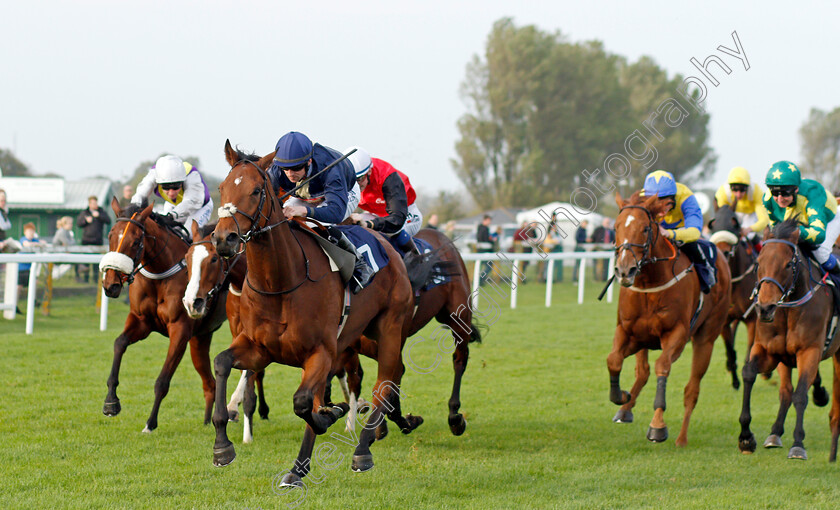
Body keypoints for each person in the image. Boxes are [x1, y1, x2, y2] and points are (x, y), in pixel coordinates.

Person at [267, 131, 371, 292]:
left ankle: (360, 264)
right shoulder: (276, 170)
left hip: (344, 193)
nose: (289, 174)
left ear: (308, 161)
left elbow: (335, 213)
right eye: (285, 169)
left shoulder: (332, 169)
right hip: (307, 194)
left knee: (317, 223)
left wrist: (304, 211)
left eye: (295, 168)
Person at [762, 160, 840, 278]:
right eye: (775, 192)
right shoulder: (768, 200)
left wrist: (796, 232)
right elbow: (776, 230)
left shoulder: (812, 194)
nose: (779, 198)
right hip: (802, 222)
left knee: (821, 253)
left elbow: (819, 235)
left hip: (830, 218)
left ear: (796, 189)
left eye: (785, 193)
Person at [642, 170, 716, 294]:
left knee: (693, 247)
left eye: (664, 202)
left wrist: (670, 234)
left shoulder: (686, 197)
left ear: (673, 197)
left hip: (681, 230)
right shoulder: (641, 197)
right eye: (655, 202)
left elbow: (694, 232)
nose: (660, 207)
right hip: (656, 230)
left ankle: (706, 276)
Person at [345, 146, 422, 256]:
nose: (355, 186)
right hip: (375, 215)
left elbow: (396, 220)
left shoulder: (387, 178)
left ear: (369, 172)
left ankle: (418, 261)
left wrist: (369, 224)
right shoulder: (345, 178)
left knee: (392, 231)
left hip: (405, 215)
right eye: (351, 180)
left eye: (359, 180)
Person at [131, 155, 213, 229]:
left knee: (187, 234)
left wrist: (171, 216)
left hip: (199, 208)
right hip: (173, 205)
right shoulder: (155, 174)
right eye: (166, 187)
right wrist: (133, 210)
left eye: (176, 186)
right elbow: (140, 195)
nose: (171, 193)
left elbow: (191, 202)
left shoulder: (192, 176)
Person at [714, 166, 769, 246]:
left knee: (750, 235)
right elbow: (722, 217)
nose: (738, 194)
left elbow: (764, 220)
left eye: (742, 189)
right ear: (730, 187)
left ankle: (760, 251)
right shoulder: (722, 193)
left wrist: (749, 229)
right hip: (732, 215)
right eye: (735, 190)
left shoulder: (756, 191)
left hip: (750, 215)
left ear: (747, 188)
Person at [76, 195, 112, 283]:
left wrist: (99, 216)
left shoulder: (101, 211)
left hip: (97, 240)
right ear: (89, 204)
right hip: (86, 240)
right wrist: (86, 221)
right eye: (92, 203)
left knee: (97, 263)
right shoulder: (85, 212)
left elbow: (108, 220)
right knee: (86, 262)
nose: (94, 204)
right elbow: (78, 223)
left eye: (95, 202)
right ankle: (86, 280)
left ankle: (96, 280)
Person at [476, 215, 494, 286]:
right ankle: (480, 280)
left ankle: (478, 280)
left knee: (481, 266)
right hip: (484, 250)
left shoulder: (480, 227)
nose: (490, 222)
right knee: (489, 266)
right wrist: (492, 241)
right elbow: (485, 239)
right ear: (486, 220)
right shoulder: (485, 228)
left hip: (480, 249)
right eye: (489, 220)